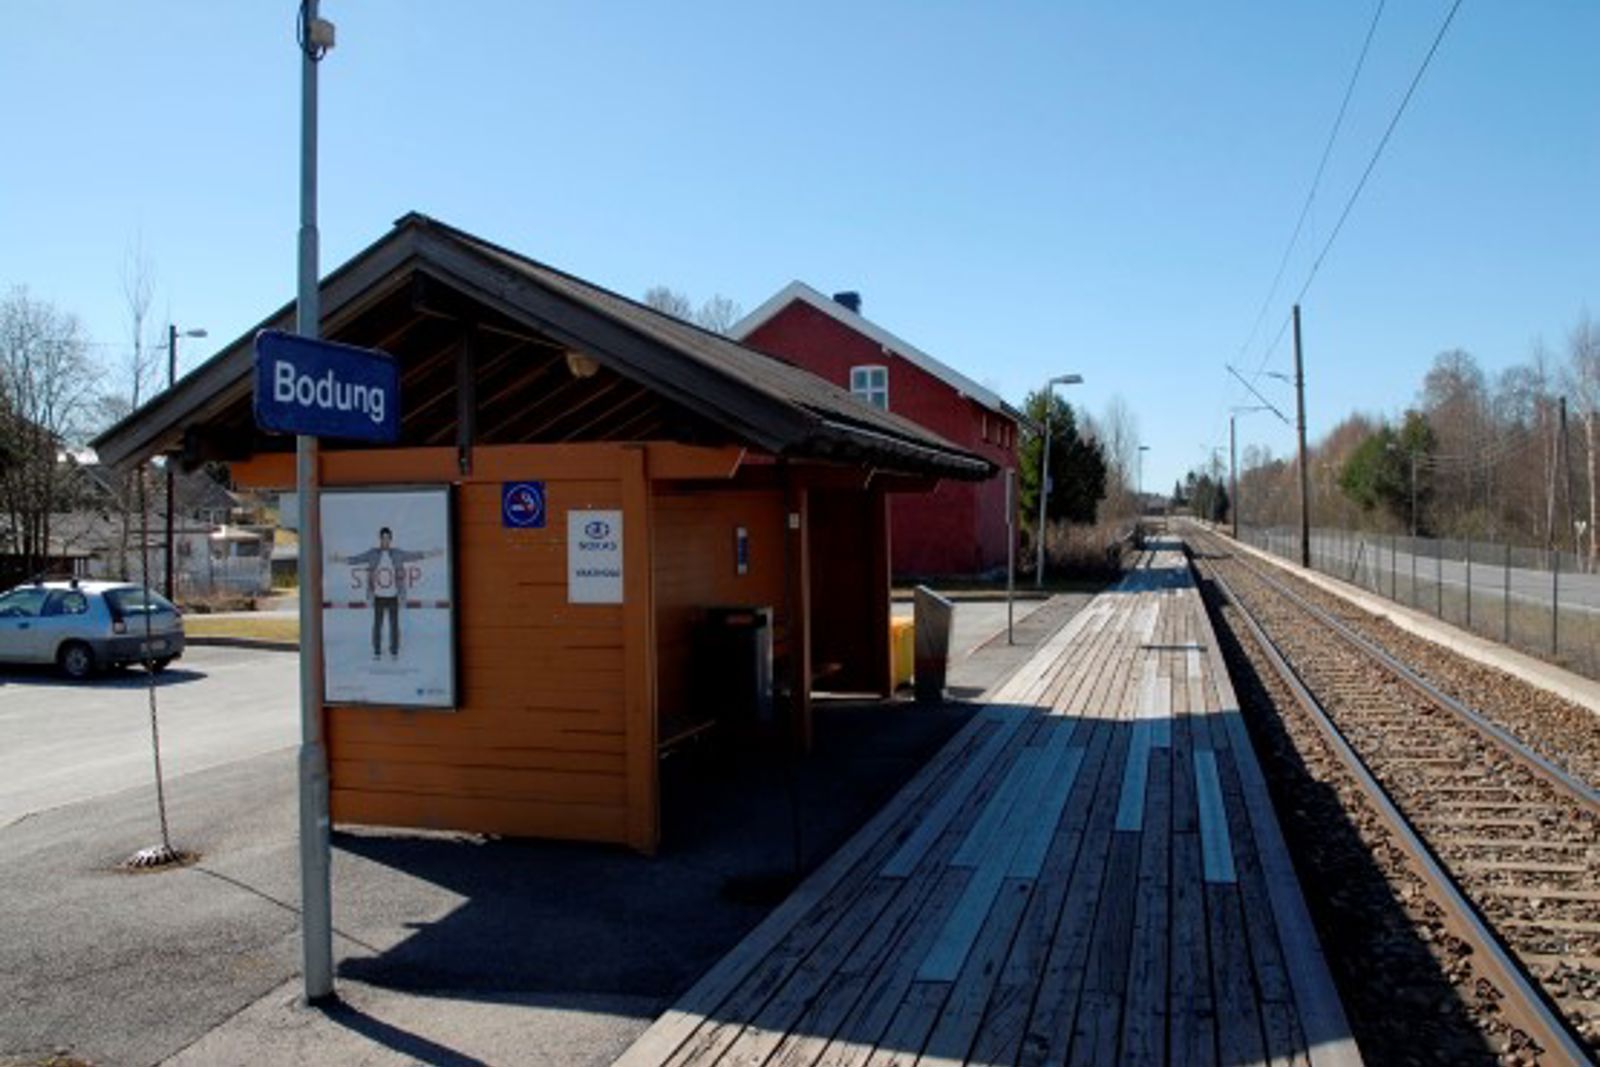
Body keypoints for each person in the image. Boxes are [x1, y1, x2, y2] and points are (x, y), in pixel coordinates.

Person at [332, 527, 442, 659]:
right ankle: (377, 651)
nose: (385, 540)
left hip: (394, 596)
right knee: (377, 625)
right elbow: (356, 559)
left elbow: (414, 556)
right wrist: (339, 559)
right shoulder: (373, 553)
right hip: (378, 596)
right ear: (380, 539)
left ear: (390, 539)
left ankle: (394, 651)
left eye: (387, 538)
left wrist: (432, 553)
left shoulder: (397, 553)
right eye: (383, 538)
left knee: (394, 625)